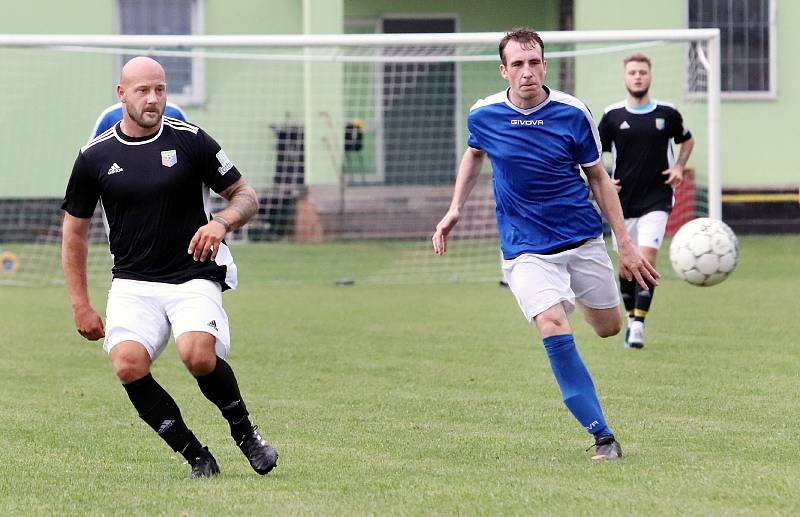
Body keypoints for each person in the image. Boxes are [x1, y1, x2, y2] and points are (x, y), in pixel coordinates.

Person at [432, 28, 659, 460]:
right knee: (553, 324)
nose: (527, 72)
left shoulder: (574, 113)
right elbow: (474, 152)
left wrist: (624, 243)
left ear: (545, 66)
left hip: (581, 238)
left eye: (534, 62)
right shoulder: (484, 114)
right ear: (504, 70)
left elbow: (599, 179)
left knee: (609, 327)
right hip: (525, 249)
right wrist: (455, 207)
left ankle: (577, 299)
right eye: (517, 64)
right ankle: (603, 436)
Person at [61, 56, 278, 479]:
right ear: (121, 94)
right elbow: (73, 234)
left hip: (192, 273)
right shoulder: (94, 157)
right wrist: (80, 305)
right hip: (132, 281)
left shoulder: (191, 140)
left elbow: (245, 194)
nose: (153, 99)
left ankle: (246, 434)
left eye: (159, 89)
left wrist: (222, 221)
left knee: (197, 354)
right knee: (127, 364)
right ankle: (197, 456)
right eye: (142, 90)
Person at [598, 53, 694, 349]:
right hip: (622, 202)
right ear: (625, 77)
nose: (637, 76)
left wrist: (679, 166)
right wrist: (602, 176)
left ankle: (638, 323)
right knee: (627, 266)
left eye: (642, 72)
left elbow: (687, 140)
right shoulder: (612, 116)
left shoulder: (668, 113)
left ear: (650, 76)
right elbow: (591, 151)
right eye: (632, 72)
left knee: (646, 259)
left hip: (658, 198)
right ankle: (631, 318)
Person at [89, 99, 187, 141]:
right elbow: (91, 160)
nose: (151, 99)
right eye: (143, 90)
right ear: (122, 92)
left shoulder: (175, 113)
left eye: (159, 89)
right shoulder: (110, 116)